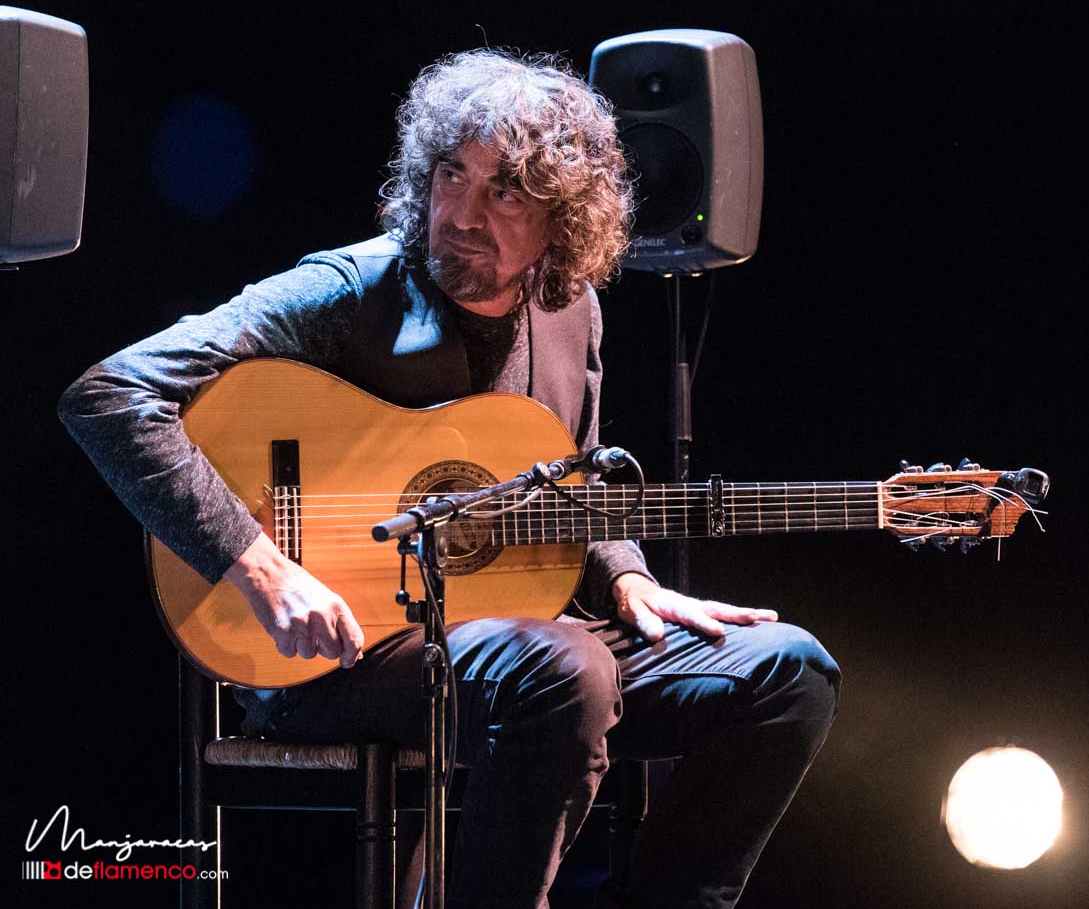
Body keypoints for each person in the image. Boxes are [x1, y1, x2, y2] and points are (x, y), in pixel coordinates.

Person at [58, 48, 840, 909]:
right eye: (451, 174)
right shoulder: (346, 291)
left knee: (788, 670)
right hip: (333, 657)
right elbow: (110, 394)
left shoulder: (571, 311)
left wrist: (625, 575)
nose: (461, 213)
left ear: (563, 218)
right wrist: (259, 563)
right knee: (563, 667)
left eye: (505, 192)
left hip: (519, 647)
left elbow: (570, 481)